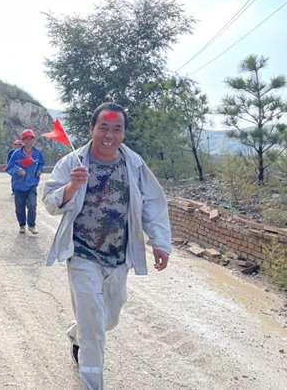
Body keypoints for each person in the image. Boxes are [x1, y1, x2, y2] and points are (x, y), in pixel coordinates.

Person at [42, 103, 172, 390]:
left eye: (117, 129)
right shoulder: (73, 162)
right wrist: (71, 187)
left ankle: (76, 333)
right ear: (92, 128)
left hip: (118, 256)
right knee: (93, 326)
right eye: (103, 127)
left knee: (108, 319)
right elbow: (50, 202)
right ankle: (93, 383)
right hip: (82, 255)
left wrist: (160, 242)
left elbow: (153, 202)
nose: (109, 135)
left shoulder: (134, 164)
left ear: (124, 133)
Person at [6, 129, 45, 234]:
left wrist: (40, 170)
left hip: (32, 184)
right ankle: (22, 225)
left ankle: (32, 226)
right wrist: (17, 170)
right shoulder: (17, 154)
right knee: (19, 207)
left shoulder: (37, 153)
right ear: (23, 141)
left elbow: (41, 163)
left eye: (31, 139)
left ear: (33, 140)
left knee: (32, 205)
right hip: (19, 185)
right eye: (26, 139)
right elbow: (9, 167)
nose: (29, 141)